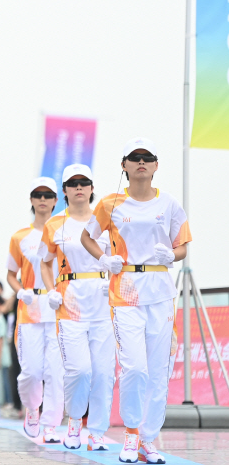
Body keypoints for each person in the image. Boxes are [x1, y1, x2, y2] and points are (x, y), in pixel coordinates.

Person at [81, 138, 192, 464]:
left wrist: (171, 254)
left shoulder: (169, 204)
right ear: (124, 165)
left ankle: (148, 439)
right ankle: (131, 433)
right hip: (125, 288)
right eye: (134, 158)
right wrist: (103, 259)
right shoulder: (110, 203)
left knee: (158, 371)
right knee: (135, 368)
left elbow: (183, 245)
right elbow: (87, 237)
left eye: (147, 158)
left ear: (156, 166)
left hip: (160, 290)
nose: (141, 162)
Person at [39, 164, 115, 451]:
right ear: (65, 191)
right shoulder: (55, 224)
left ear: (92, 188)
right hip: (69, 303)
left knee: (103, 372)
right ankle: (74, 423)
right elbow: (45, 262)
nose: (79, 187)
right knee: (79, 370)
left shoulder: (106, 220)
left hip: (103, 300)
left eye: (84, 182)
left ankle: (96, 432)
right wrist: (51, 290)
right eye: (73, 183)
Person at [6, 176, 64, 443]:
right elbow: (10, 274)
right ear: (31, 200)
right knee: (31, 371)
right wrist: (20, 291)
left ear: (55, 200)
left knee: (55, 370)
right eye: (38, 195)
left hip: (59, 307)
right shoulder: (20, 237)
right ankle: (32, 408)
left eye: (48, 195)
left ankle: (51, 424)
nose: (42, 199)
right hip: (30, 308)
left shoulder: (65, 232)